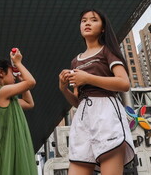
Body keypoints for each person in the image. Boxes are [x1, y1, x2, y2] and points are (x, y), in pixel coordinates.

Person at [58, 9, 136, 175]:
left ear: (103, 28)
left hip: (107, 114)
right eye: (83, 20)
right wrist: (63, 88)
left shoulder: (108, 51)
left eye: (93, 20)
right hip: (83, 118)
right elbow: (77, 101)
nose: (87, 23)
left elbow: (124, 83)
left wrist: (88, 78)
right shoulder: (75, 61)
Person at [0, 48, 37, 175]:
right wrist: (18, 63)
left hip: (8, 149)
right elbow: (32, 82)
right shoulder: (1, 92)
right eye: (12, 73)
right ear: (1, 73)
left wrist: (21, 79)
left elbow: (29, 103)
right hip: (8, 150)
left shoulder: (6, 98)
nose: (14, 76)